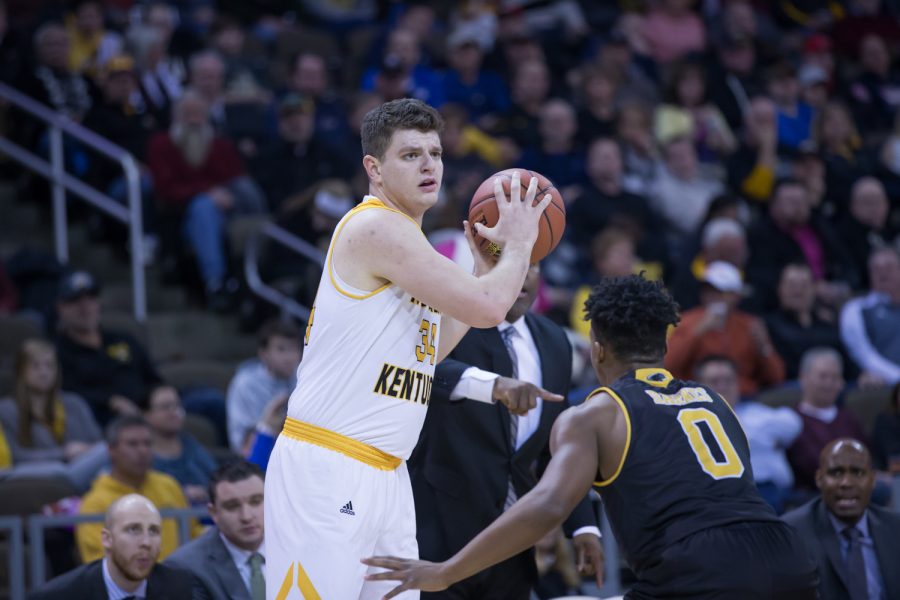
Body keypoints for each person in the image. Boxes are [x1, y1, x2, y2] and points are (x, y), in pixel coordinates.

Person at [363, 275, 818, 599]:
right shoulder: (714, 400)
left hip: (697, 570)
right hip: (787, 558)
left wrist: (445, 572)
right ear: (663, 346)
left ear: (597, 350)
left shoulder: (598, 411)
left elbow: (547, 505)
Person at [264, 98, 552, 599]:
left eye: (436, 153)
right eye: (411, 155)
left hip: (388, 474)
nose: (429, 165)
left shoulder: (408, 246)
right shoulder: (375, 226)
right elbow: (489, 310)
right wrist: (521, 245)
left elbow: (433, 348)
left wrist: (486, 270)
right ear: (373, 169)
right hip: (329, 465)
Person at [409, 263, 602, 599]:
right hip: (438, 534)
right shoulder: (454, 323)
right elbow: (426, 369)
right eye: (512, 262)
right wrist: (492, 385)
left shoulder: (555, 340)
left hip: (513, 543)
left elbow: (555, 450)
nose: (524, 273)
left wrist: (582, 525)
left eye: (534, 264)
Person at [782, 439, 900, 600]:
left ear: (872, 480)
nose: (847, 483)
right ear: (819, 479)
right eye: (836, 473)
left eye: (858, 473)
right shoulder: (792, 533)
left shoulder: (895, 527)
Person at [77, 416, 202, 563]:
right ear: (112, 450)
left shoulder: (169, 485)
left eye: (147, 443)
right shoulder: (95, 504)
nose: (142, 450)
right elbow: (99, 563)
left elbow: (193, 535)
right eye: (133, 444)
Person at [30, 494, 193, 600]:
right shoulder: (60, 596)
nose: (146, 542)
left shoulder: (178, 586)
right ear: (107, 539)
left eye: (153, 531)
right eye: (133, 530)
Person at [694, 355, 801, 513]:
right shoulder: (692, 422)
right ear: (699, 386)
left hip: (771, 492)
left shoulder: (756, 413)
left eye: (729, 380)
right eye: (715, 381)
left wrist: (745, 434)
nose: (723, 386)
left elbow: (793, 424)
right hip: (720, 497)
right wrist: (760, 438)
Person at [54, 270, 162, 426]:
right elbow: (67, 394)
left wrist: (158, 401)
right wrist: (110, 401)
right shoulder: (57, 352)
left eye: (91, 298)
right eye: (75, 300)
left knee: (205, 400)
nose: (85, 307)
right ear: (60, 307)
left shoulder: (124, 339)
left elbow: (153, 379)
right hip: (105, 420)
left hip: (149, 410)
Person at [665, 261, 785, 397]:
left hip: (743, 400)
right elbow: (668, 366)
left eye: (720, 292)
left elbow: (777, 378)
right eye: (708, 290)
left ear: (736, 296)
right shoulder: (687, 321)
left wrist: (763, 346)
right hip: (696, 398)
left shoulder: (749, 325)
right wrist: (697, 333)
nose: (712, 296)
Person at [0, 338, 105, 492]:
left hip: (83, 466)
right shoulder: (6, 409)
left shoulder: (75, 403)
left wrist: (83, 450)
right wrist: (64, 453)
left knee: (109, 449)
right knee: (59, 470)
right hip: (39, 472)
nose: (44, 373)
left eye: (49, 366)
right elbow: (15, 457)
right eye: (35, 366)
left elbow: (97, 442)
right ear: (21, 371)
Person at [166, 461, 265, 600]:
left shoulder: (297, 548)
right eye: (233, 506)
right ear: (214, 513)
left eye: (255, 501)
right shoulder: (185, 568)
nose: (247, 516)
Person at [787, 348, 868, 492]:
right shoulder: (791, 421)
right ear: (803, 378)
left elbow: (867, 456)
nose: (829, 383)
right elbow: (807, 465)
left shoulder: (849, 418)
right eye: (823, 377)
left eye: (835, 377)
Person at [226, 319, 301, 455]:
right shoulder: (245, 384)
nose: (289, 357)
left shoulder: (302, 379)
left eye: (293, 349)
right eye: (281, 349)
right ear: (263, 353)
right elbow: (241, 445)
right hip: (255, 458)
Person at [144, 383, 217, 504]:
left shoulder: (192, 445)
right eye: (165, 407)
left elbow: (217, 482)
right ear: (147, 415)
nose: (174, 412)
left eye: (177, 406)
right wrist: (181, 493)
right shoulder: (141, 456)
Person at [840, 247, 900, 386]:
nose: (882, 273)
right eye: (876, 268)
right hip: (883, 384)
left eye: (889, 267)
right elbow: (864, 356)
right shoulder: (856, 309)